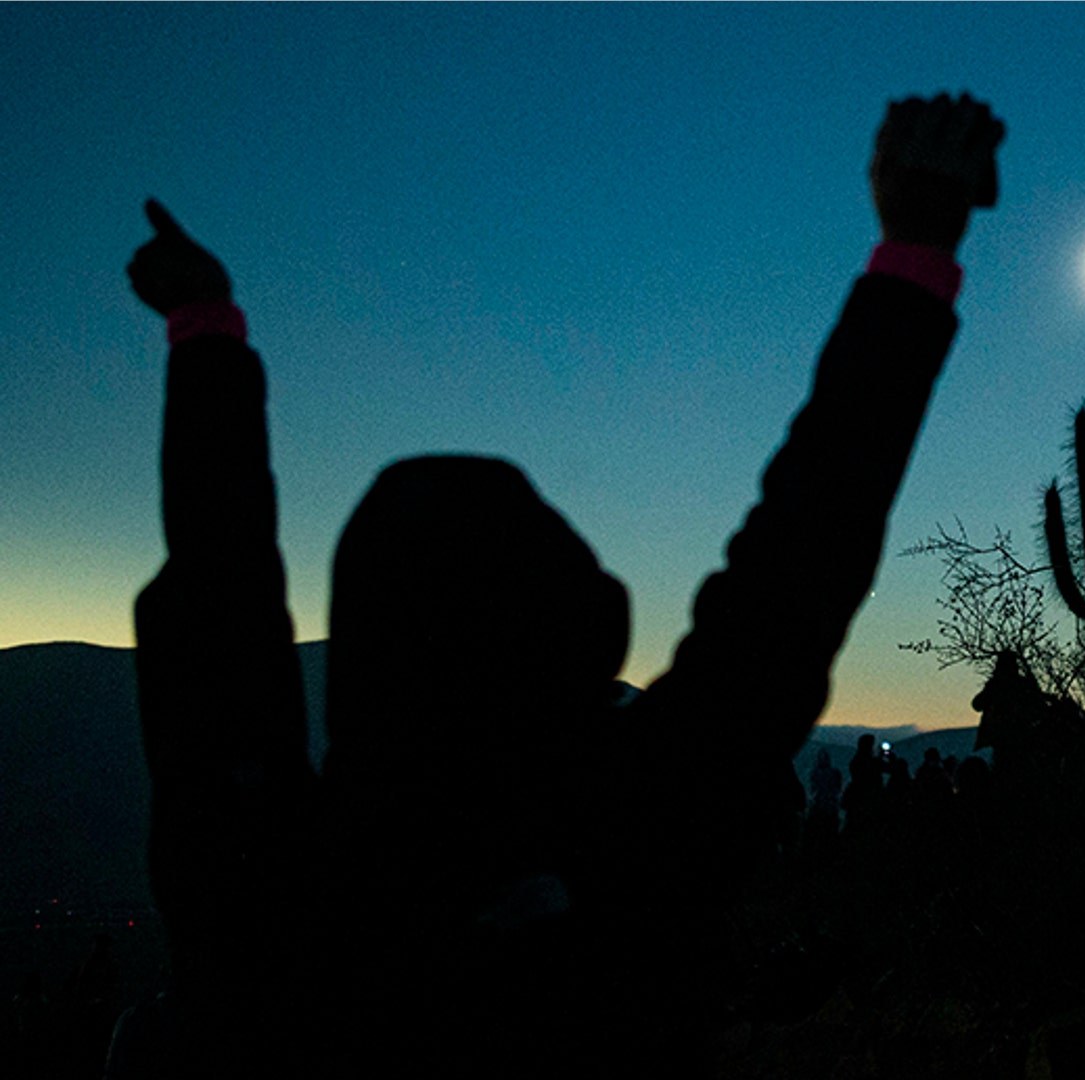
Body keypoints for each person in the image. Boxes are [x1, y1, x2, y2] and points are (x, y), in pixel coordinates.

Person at [126, 92, 1005, 1077]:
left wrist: (205, 328)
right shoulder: (647, 827)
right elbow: (803, 555)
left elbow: (219, 597)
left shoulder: (264, 887)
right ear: (583, 624)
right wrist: (918, 249)